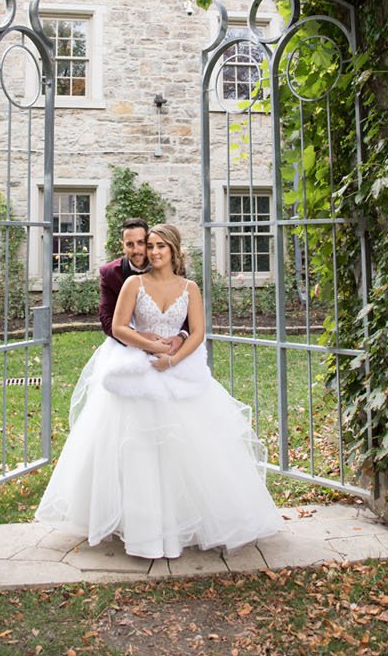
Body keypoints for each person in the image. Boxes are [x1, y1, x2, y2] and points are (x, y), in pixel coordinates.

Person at [35, 223, 282, 559]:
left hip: (177, 369)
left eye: (160, 246)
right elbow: (119, 326)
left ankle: (187, 523)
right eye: (149, 246)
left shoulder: (190, 288)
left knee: (190, 448)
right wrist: (150, 345)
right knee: (140, 453)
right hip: (139, 369)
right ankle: (143, 529)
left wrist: (174, 358)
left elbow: (197, 332)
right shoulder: (133, 284)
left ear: (174, 250)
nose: (152, 252)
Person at [99, 216, 186, 349]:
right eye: (129, 244)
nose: (136, 250)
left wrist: (181, 337)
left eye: (141, 243)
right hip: (128, 343)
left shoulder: (171, 267)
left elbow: (186, 311)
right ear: (122, 245)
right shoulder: (109, 273)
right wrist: (138, 338)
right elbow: (107, 318)